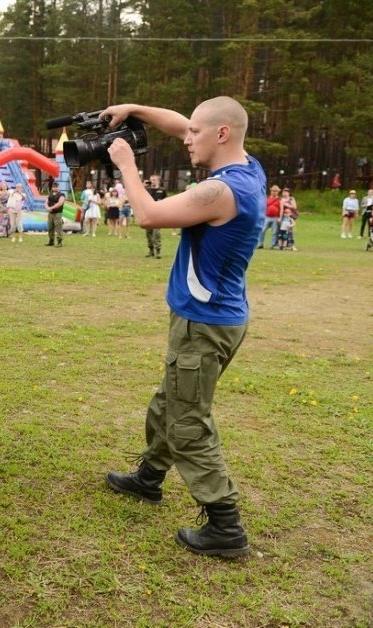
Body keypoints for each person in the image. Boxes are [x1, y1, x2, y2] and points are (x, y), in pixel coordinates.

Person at [100, 96, 265, 558]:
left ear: (222, 135)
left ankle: (225, 525)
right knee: (169, 400)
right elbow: (179, 124)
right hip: (216, 318)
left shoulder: (223, 192)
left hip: (204, 323)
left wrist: (126, 163)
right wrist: (134, 108)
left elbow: (148, 216)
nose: (185, 138)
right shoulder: (248, 167)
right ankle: (150, 478)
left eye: (195, 133)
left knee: (188, 420)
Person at [144, 174, 166, 257]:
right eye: (151, 179)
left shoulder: (162, 190)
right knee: (148, 233)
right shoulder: (147, 190)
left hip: (158, 214)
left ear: (158, 180)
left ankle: (158, 251)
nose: (152, 181)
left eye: (154, 179)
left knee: (156, 233)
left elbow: (166, 201)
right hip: (149, 213)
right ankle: (151, 250)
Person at [259, 184, 281, 249]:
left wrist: (280, 217)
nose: (274, 192)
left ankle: (272, 244)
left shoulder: (279, 200)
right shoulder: (267, 199)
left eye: (275, 191)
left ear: (278, 192)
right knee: (262, 230)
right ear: (271, 191)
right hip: (267, 217)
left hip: (275, 217)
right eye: (273, 191)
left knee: (274, 231)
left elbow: (281, 209)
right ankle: (260, 243)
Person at [45, 181, 66, 246]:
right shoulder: (50, 194)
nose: (54, 188)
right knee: (50, 227)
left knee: (58, 227)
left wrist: (51, 208)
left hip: (57, 213)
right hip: (50, 213)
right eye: (53, 187)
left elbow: (60, 203)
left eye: (56, 187)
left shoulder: (61, 195)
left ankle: (59, 241)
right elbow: (46, 202)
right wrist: (47, 207)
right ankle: (51, 241)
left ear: (58, 187)